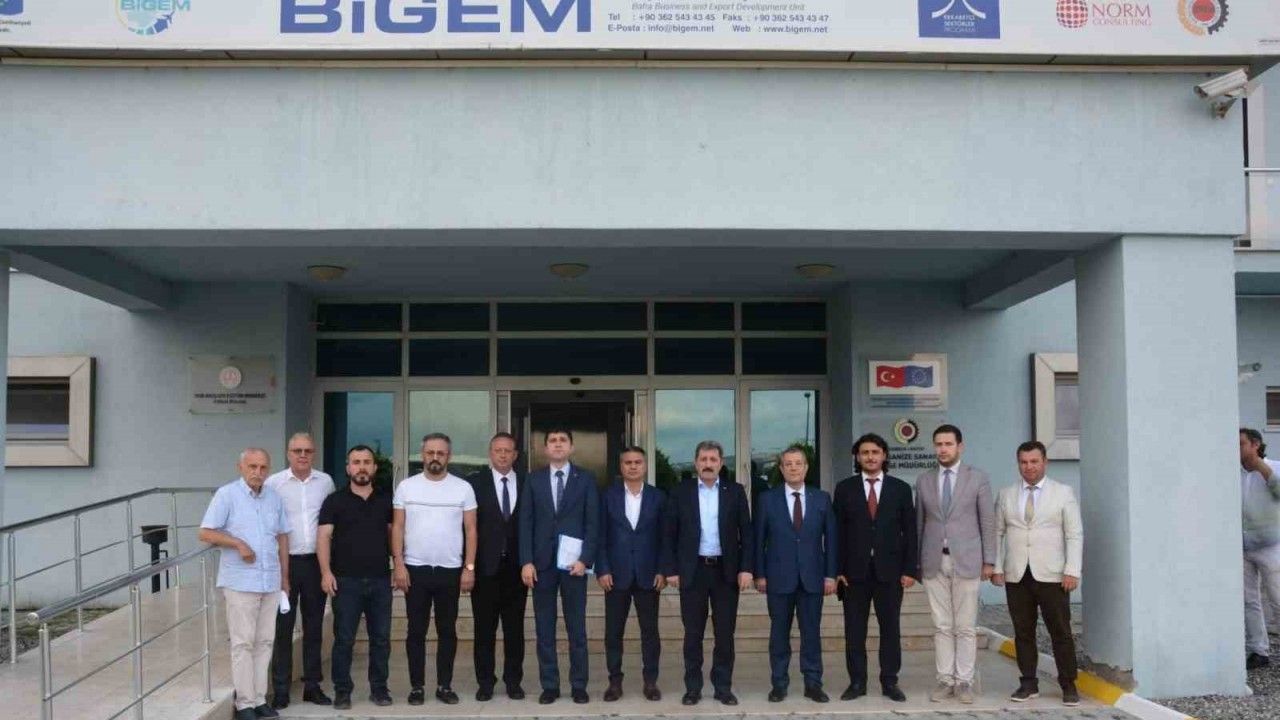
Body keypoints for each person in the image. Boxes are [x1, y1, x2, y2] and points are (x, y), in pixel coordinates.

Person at [198, 448, 290, 720]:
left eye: (263, 467)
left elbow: (282, 537)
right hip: (240, 581)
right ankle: (245, 704)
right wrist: (238, 543)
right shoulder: (227, 495)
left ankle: (260, 699)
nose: (258, 472)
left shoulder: (274, 497)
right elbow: (205, 532)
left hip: (270, 580)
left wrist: (285, 578)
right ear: (241, 467)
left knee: (265, 642)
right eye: (252, 466)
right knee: (243, 644)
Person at [662, 440, 754, 707]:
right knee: (693, 634)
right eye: (703, 459)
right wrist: (671, 569)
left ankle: (723, 687)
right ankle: (693, 688)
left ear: (721, 463)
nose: (708, 464)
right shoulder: (681, 492)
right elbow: (668, 534)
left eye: (713, 460)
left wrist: (746, 568)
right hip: (693, 571)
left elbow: (747, 533)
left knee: (724, 634)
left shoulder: (735, 491)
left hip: (726, 572)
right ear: (695, 463)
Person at [993, 440, 1084, 706]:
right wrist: (997, 567)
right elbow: (997, 532)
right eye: (1024, 462)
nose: (1029, 467)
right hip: (1017, 574)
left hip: (1053, 575)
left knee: (1060, 631)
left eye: (1034, 461)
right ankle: (1028, 683)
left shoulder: (1063, 492)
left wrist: (1072, 570)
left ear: (1045, 462)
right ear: (1018, 464)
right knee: (1023, 632)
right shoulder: (1006, 494)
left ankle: (1068, 684)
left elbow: (1074, 533)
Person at [392, 433, 478, 706]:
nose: (435, 458)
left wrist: (469, 567)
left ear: (448, 456)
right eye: (430, 453)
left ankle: (444, 685)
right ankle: (417, 687)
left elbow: (471, 530)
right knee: (415, 632)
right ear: (423, 455)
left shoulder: (463, 488)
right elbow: (398, 527)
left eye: (441, 453)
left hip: (450, 570)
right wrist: (398, 565)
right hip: (415, 569)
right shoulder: (406, 487)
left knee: (447, 631)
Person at [833, 433, 918, 703]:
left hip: (890, 572)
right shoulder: (844, 489)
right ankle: (857, 682)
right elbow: (837, 533)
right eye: (865, 452)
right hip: (853, 574)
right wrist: (837, 570)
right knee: (854, 631)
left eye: (875, 452)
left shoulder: (900, 489)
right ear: (857, 457)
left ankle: (889, 681)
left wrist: (910, 570)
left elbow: (910, 532)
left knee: (890, 629)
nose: (870, 457)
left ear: (884, 455)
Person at [914, 424, 994, 704]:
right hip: (933, 560)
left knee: (965, 626)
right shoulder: (924, 480)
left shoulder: (978, 478)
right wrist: (916, 562)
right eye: (938, 444)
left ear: (960, 446)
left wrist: (989, 561)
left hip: (968, 559)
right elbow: (920, 523)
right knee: (942, 625)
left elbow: (987, 521)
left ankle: (964, 682)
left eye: (948, 444)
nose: (943, 449)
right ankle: (945, 680)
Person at [519, 428, 599, 705]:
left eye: (562, 440)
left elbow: (593, 522)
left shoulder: (586, 479)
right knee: (544, 629)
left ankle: (579, 685)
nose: (557, 444)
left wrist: (586, 559)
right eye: (552, 441)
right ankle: (550, 685)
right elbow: (525, 522)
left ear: (571, 447)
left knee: (577, 629)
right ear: (545, 449)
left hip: (574, 566)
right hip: (541, 565)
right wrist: (526, 561)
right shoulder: (533, 480)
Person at [754, 446, 837, 704]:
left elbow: (831, 539)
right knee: (779, 634)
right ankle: (779, 684)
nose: (793, 468)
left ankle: (813, 683)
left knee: (811, 633)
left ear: (806, 468)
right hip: (778, 578)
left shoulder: (821, 498)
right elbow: (758, 539)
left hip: (812, 578)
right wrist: (760, 574)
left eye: (798, 463)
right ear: (781, 469)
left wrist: (830, 575)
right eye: (788, 464)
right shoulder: (767, 499)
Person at [317, 445, 394, 710]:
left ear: (374, 467)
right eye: (356, 462)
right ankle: (342, 691)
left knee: (381, 639)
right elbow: (323, 537)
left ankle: (379, 689)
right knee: (344, 639)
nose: (362, 467)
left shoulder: (386, 500)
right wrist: (326, 572)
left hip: (380, 580)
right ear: (348, 468)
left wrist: (399, 566)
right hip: (345, 581)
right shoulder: (334, 501)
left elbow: (393, 535)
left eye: (366, 462)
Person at [266, 432, 335, 709]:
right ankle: (281, 689)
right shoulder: (274, 484)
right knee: (282, 628)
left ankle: (312, 686)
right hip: (284, 564)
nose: (303, 455)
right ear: (288, 453)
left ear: (314, 453)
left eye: (307, 450)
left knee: (314, 626)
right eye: (297, 450)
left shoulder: (325, 482)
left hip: (315, 564)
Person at [596, 446, 667, 702]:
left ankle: (651, 682)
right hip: (616, 575)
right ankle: (615, 682)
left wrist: (662, 570)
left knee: (650, 633)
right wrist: (602, 568)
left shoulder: (659, 497)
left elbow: (665, 537)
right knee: (613, 633)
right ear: (621, 466)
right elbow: (600, 536)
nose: (633, 466)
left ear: (645, 466)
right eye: (628, 462)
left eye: (638, 462)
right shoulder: (607, 496)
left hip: (649, 575)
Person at [465, 432, 529, 700]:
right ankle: (485, 682)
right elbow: (467, 527)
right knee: (484, 630)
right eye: (498, 450)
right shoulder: (474, 484)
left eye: (508, 451)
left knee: (515, 629)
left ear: (515, 455)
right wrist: (468, 566)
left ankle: (513, 681)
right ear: (490, 454)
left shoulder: (527, 482)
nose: (503, 455)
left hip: (517, 569)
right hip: (485, 569)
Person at [1241, 427, 1280, 670]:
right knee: (1249, 601)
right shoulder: (1232, 473)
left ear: (1255, 444)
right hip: (1242, 546)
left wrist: (1260, 467)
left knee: (1278, 598)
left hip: (1271, 545)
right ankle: (1258, 650)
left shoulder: (1275, 467)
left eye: (1241, 444)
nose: (1236, 449)